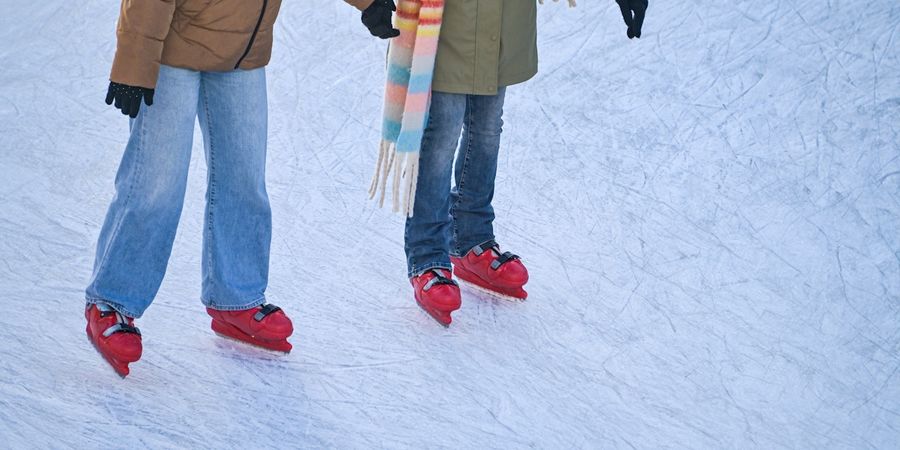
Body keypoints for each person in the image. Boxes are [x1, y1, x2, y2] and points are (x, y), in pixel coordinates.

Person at [85, 0, 395, 377]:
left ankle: (236, 298)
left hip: (242, 54)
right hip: (170, 50)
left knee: (244, 179)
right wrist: (134, 63)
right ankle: (112, 301)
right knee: (156, 184)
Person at [369, 0, 648, 325]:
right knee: (442, 131)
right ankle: (427, 254)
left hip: (502, 17)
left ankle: (471, 238)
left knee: (487, 128)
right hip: (447, 20)